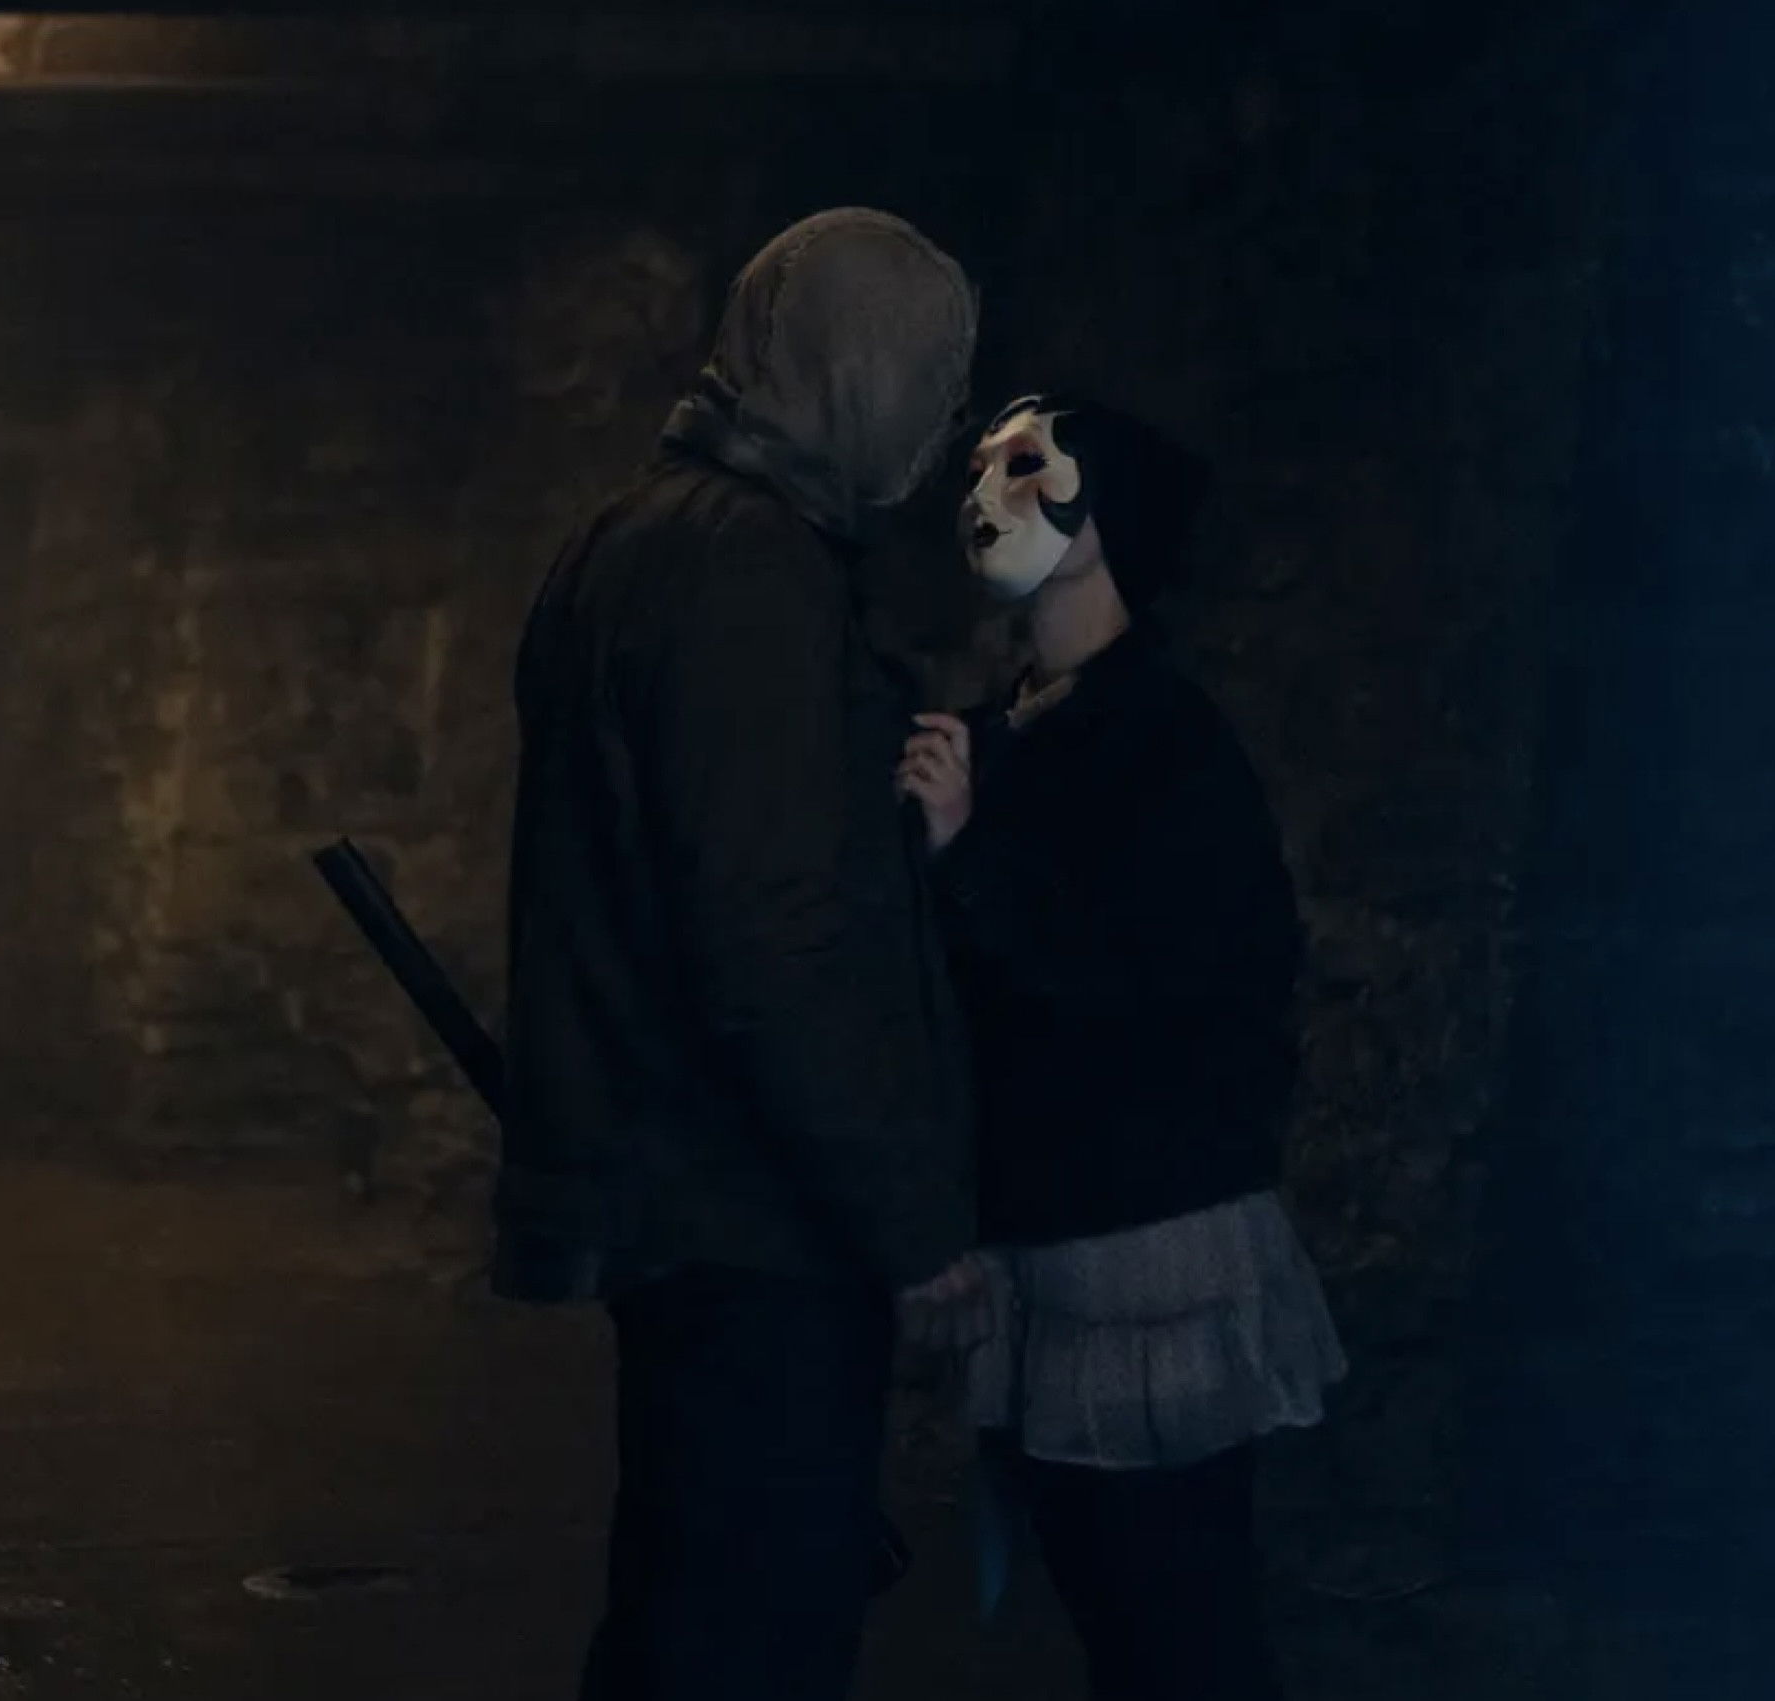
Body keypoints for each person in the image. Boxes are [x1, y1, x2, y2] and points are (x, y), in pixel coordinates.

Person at [496, 207, 993, 1701]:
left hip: (686, 1197)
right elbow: (769, 935)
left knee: (689, 1618)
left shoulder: (630, 540)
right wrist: (910, 1216)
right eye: (927, 377)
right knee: (745, 1638)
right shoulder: (750, 568)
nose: (940, 424)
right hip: (750, 1214)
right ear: (854, 370)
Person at [899, 395, 1346, 1700]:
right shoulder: (1003, 731)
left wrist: (967, 855)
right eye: (982, 464)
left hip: (1147, 1245)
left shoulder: (1167, 741)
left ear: (1106, 523)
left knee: (1178, 1630)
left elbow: (1146, 984)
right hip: (1048, 1240)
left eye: (1025, 465)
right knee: (1116, 1621)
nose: (987, 491)